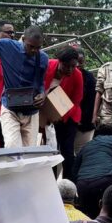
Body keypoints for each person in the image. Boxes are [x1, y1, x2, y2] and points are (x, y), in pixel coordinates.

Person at [0, 3, 49, 147]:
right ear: (23, 39)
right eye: (31, 46)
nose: (34, 51)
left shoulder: (43, 58)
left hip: (31, 111)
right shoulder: (7, 46)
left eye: (38, 48)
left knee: (29, 153)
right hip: (10, 107)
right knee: (13, 148)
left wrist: (43, 94)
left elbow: (40, 82)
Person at [44, 48, 84, 180]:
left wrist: (61, 116)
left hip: (69, 116)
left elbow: (76, 101)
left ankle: (69, 184)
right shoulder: (47, 65)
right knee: (50, 150)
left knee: (67, 151)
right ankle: (50, 181)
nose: (70, 70)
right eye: (66, 66)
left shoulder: (77, 75)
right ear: (59, 62)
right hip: (46, 114)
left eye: (73, 66)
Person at [75, 51, 98, 150]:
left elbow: (91, 101)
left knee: (82, 149)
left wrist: (87, 119)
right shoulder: (66, 74)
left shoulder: (89, 77)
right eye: (77, 62)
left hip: (85, 121)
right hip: (69, 121)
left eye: (81, 62)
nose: (78, 65)